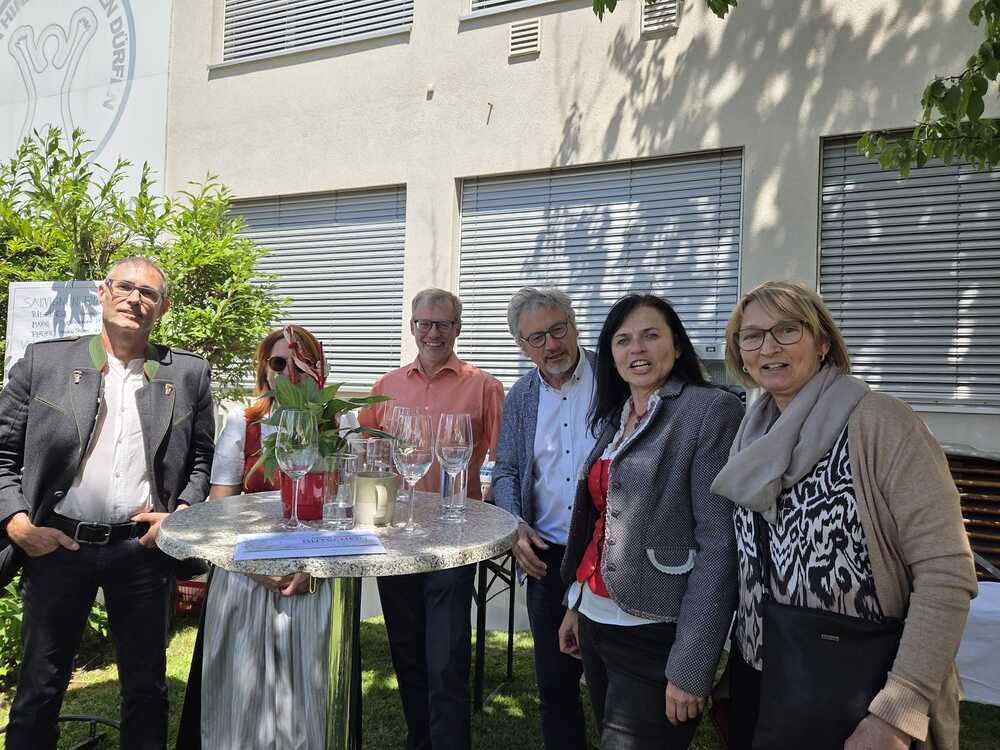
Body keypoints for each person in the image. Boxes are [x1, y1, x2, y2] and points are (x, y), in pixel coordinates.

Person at [711, 280, 977, 750]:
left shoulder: (881, 423)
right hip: (762, 676)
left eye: (787, 329)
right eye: (751, 336)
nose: (768, 347)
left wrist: (897, 712)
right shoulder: (752, 433)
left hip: (857, 689)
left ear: (822, 342)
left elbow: (946, 571)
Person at [0, 256, 215, 749]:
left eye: (148, 293)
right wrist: (16, 523)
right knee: (39, 689)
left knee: (146, 690)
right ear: (103, 293)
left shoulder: (187, 373)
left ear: (162, 307)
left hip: (142, 550)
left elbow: (201, 458)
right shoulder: (46, 363)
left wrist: (180, 515)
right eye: (124, 287)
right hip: (57, 546)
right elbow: (2, 450)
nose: (134, 299)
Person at [557, 293, 743, 750]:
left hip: (656, 632)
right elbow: (604, 521)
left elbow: (720, 545)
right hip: (596, 620)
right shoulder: (617, 415)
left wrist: (693, 662)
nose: (636, 349)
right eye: (622, 340)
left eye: (650, 336)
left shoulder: (710, 411)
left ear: (676, 346)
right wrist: (576, 603)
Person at [177, 325, 356, 749]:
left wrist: (316, 568)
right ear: (265, 369)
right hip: (247, 576)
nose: (289, 372)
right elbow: (219, 512)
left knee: (309, 705)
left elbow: (352, 509)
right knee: (242, 701)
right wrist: (255, 568)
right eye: (278, 362)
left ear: (318, 369)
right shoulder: (244, 423)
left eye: (301, 363)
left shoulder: (342, 423)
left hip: (316, 577)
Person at [359, 287, 503, 750]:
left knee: (445, 657)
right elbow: (367, 452)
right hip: (395, 536)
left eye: (443, 323)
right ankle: (420, 739)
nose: (433, 332)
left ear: (457, 328)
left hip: (453, 539)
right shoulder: (386, 385)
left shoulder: (483, 386)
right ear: (412, 327)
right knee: (406, 649)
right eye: (425, 323)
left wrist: (491, 512)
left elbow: (503, 460)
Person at [493, 287, 595, 750]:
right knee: (554, 686)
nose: (552, 345)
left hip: (612, 555)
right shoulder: (521, 396)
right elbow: (508, 470)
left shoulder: (613, 378)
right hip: (547, 559)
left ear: (574, 326)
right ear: (522, 345)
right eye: (537, 337)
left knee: (615, 683)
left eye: (558, 329)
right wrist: (515, 524)